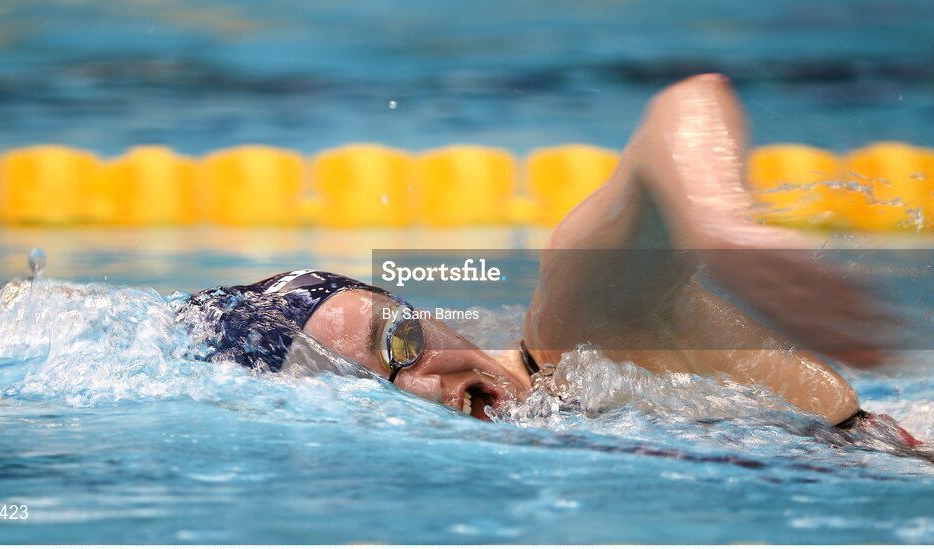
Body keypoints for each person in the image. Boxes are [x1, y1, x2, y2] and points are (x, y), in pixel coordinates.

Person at [180, 74, 919, 444]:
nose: (424, 376)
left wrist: (721, 226)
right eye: (369, 387)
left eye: (399, 338)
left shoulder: (578, 324)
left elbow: (686, 107)